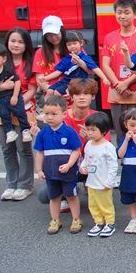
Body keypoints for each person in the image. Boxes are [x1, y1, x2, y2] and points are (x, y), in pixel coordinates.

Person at [34, 79, 110, 208]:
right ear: (71, 96)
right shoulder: (60, 115)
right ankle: (68, 192)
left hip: (90, 164)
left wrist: (91, 140)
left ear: (93, 96)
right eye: (77, 94)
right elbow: (48, 145)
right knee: (44, 196)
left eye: (86, 94)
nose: (82, 97)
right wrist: (37, 133)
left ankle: (90, 187)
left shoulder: (99, 118)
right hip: (66, 165)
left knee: (99, 195)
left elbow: (106, 148)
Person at [0, 27, 37, 201]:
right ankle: (11, 184)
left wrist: (17, 103)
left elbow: (32, 89)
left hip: (23, 108)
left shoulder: (30, 63)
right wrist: (3, 87)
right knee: (7, 149)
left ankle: (25, 185)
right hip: (0, 110)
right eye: (13, 41)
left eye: (20, 42)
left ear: (26, 44)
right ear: (7, 42)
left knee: (23, 148)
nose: (16, 45)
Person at [33, 95, 83, 235]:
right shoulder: (43, 133)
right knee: (54, 197)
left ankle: (76, 219)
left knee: (71, 196)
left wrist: (69, 165)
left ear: (64, 114)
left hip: (68, 172)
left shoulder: (69, 132)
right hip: (50, 172)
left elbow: (76, 150)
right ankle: (55, 220)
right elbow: (40, 153)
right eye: (46, 113)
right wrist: (39, 170)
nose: (50, 117)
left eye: (54, 114)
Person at [100, 0, 136, 140]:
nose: (122, 16)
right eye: (119, 12)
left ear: (135, 14)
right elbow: (105, 64)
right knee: (121, 134)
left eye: (127, 12)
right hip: (117, 94)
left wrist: (126, 83)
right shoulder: (109, 37)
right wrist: (118, 84)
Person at [79, 112, 119, 238]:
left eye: (93, 130)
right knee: (93, 205)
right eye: (88, 129)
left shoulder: (108, 147)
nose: (89, 133)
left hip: (103, 183)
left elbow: (113, 166)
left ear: (104, 131)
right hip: (91, 182)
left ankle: (109, 223)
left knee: (105, 204)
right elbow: (85, 159)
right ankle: (99, 222)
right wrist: (82, 167)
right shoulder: (89, 144)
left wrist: (109, 181)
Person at [0, 43, 32, 144]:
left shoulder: (8, 69)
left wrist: (15, 96)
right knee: (4, 114)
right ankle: (10, 132)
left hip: (13, 96)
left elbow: (17, 81)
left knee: (20, 112)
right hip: (1, 98)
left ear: (4, 59)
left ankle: (25, 129)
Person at [44, 31, 110, 96]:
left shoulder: (85, 57)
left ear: (81, 43)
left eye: (74, 43)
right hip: (66, 81)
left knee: (57, 93)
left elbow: (95, 68)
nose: (72, 46)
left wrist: (104, 78)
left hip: (78, 82)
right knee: (49, 90)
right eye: (69, 45)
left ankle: (60, 103)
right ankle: (47, 103)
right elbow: (58, 72)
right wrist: (45, 78)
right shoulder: (66, 58)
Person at [33, 15, 67, 100]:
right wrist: (54, 92)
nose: (53, 37)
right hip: (51, 98)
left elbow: (87, 70)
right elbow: (39, 79)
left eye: (55, 33)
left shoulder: (73, 48)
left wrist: (71, 91)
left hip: (73, 95)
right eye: (49, 35)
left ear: (61, 30)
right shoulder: (40, 52)